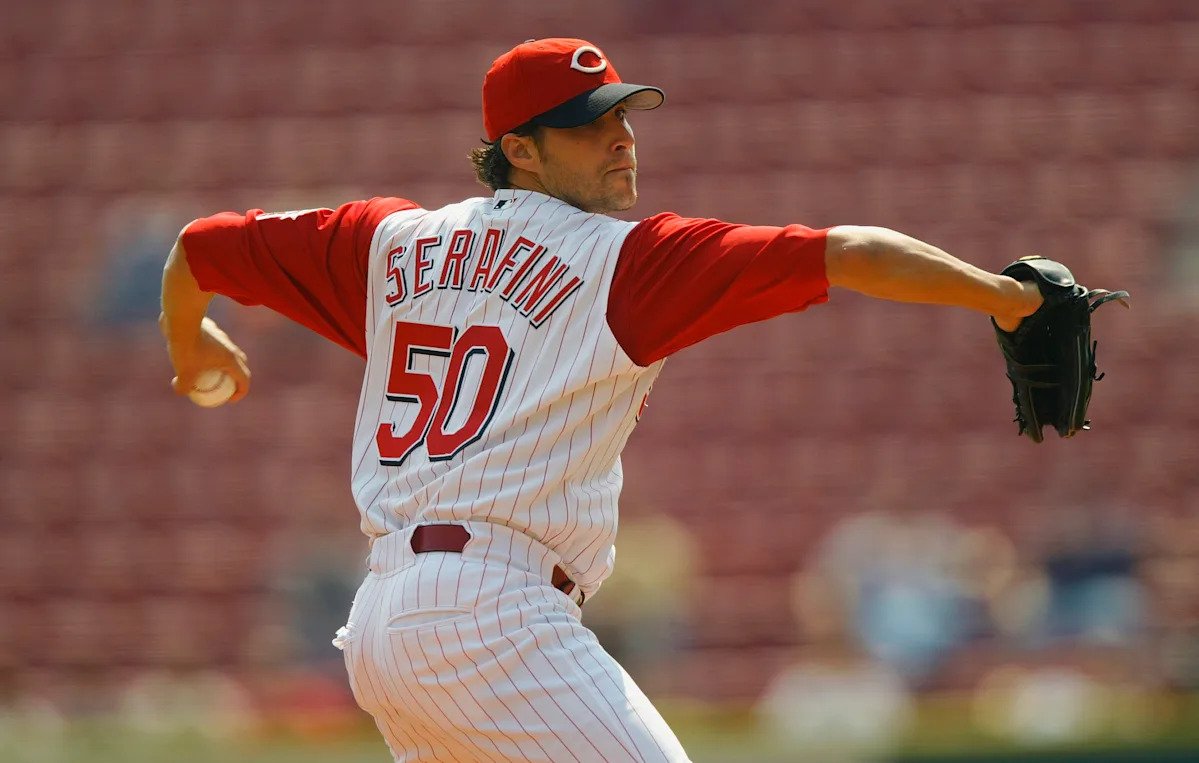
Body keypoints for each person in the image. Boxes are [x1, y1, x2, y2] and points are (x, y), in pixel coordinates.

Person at [159, 38, 1043, 763]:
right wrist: (1007, 299)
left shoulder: (386, 242)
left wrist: (190, 344)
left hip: (389, 622)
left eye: (622, 115)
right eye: (587, 124)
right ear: (519, 149)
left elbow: (199, 248)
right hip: (493, 613)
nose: (620, 137)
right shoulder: (624, 262)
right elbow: (848, 253)